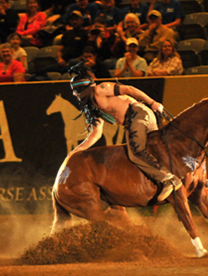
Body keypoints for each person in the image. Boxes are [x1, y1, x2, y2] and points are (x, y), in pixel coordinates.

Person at [68, 62, 182, 202]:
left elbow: (129, 89)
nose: (75, 95)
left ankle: (169, 179)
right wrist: (76, 151)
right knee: (157, 149)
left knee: (136, 151)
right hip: (134, 120)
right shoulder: (93, 107)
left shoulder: (100, 89)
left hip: (138, 114)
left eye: (76, 91)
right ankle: (186, 175)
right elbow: (95, 134)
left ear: (81, 89)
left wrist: (152, 102)